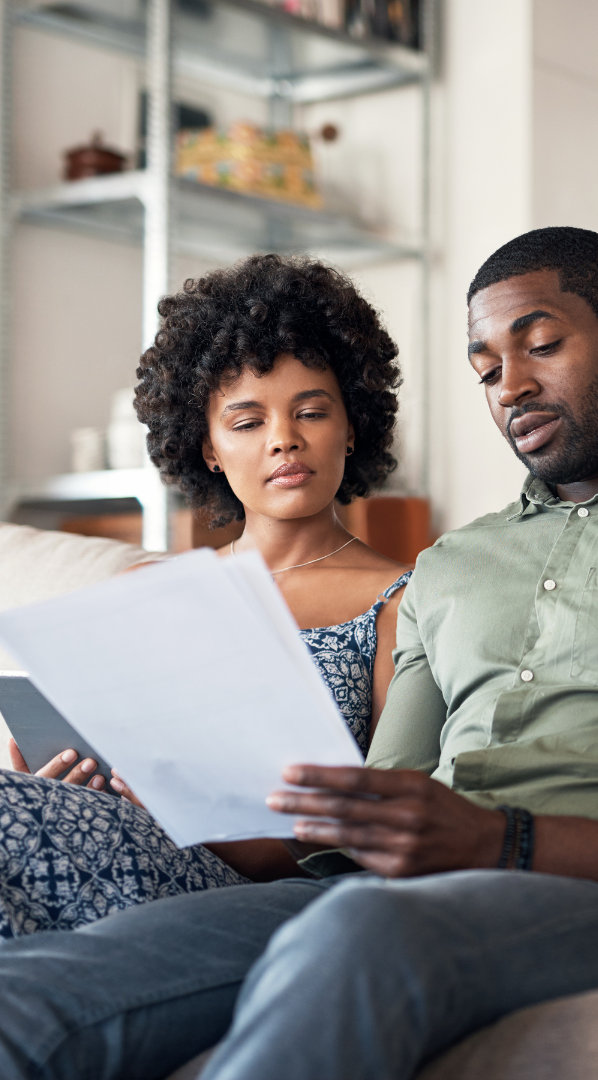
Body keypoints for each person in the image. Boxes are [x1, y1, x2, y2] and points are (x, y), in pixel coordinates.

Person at [0, 227, 598, 1080]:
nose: (513, 387)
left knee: (357, 936)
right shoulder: (455, 566)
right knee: (40, 987)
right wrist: (177, 792)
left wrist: (503, 841)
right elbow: (361, 824)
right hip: (380, 899)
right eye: (488, 370)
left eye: (540, 346)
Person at [0, 253, 409, 937]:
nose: (284, 440)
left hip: (263, 896)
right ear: (210, 447)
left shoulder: (400, 601)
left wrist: (199, 824)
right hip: (106, 848)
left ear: (352, 425)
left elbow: (382, 837)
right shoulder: (148, 592)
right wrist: (51, 781)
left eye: (311, 411)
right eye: (247, 423)